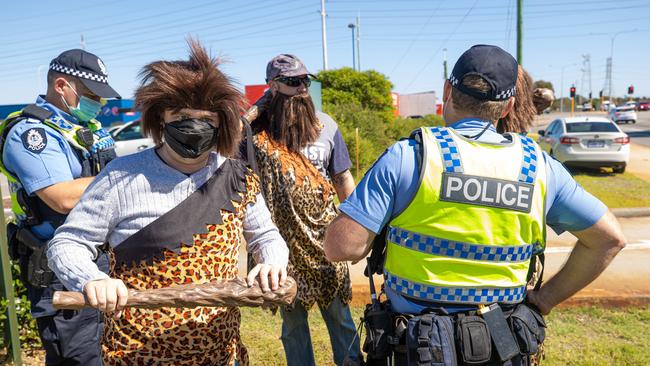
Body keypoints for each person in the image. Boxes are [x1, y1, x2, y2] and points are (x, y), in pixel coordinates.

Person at [324, 45, 626, 365]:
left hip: (418, 347)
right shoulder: (538, 167)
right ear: (509, 105)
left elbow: (341, 247)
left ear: (447, 90)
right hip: (504, 344)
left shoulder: (409, 156)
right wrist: (543, 300)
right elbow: (609, 238)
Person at [47, 40, 289, 365]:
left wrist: (272, 259)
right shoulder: (122, 176)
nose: (194, 127)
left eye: (206, 118)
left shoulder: (237, 176)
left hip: (220, 348)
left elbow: (265, 235)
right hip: (138, 352)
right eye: (182, 116)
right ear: (161, 117)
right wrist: (92, 278)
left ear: (222, 122)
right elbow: (67, 242)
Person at [0, 49, 120, 365]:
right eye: (92, 95)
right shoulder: (31, 133)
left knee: (107, 350)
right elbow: (62, 197)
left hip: (99, 256)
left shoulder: (88, 128)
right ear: (62, 86)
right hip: (57, 267)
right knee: (79, 357)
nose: (100, 103)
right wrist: (125, 176)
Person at [248, 54, 361, 365]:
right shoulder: (257, 133)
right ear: (272, 86)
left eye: (305, 81)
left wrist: (354, 225)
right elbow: (225, 153)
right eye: (292, 82)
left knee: (339, 315)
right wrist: (254, 111)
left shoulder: (327, 126)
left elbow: (342, 177)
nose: (302, 89)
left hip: (326, 241)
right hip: (280, 247)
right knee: (294, 324)